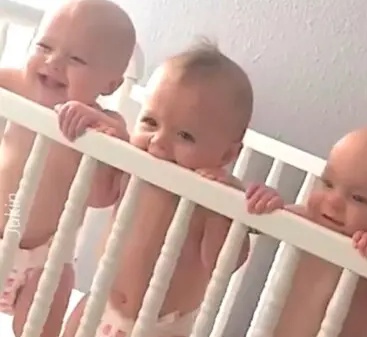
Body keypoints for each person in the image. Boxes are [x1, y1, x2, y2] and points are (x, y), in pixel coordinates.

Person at [61, 41, 283, 337]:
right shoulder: (135, 164)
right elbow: (97, 196)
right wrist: (104, 138)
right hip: (100, 304)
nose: (158, 142)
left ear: (228, 155)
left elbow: (224, 262)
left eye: (185, 135)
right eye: (150, 122)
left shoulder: (213, 194)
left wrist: (222, 207)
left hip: (161, 328)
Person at [0, 1, 135, 336]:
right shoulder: (14, 86)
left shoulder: (102, 127)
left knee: (51, 299)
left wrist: (107, 136)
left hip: (45, 256)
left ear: (110, 85)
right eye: (44, 46)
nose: (53, 62)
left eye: (76, 59)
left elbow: (104, 196)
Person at [253, 122, 367, 337]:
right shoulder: (304, 220)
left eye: (358, 198)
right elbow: (250, 221)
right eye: (328, 183)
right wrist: (262, 200)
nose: (333, 201)